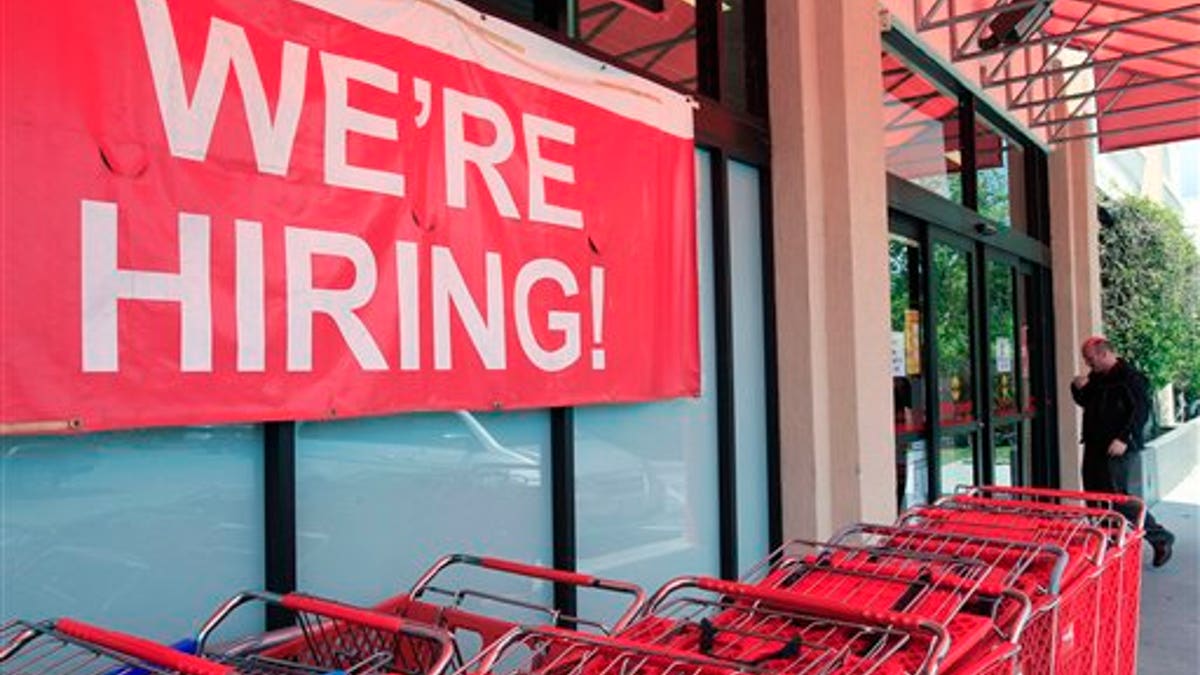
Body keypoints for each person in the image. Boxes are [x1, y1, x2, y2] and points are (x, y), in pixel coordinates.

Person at [1070, 336, 1175, 567]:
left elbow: (1141, 411)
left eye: (1090, 359)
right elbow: (1089, 403)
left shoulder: (1130, 378)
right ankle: (1107, 544)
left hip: (1117, 448)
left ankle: (1159, 537)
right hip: (1094, 444)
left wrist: (1124, 438)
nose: (1088, 364)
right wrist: (1079, 388)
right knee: (1094, 497)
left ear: (1104, 353)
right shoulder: (1097, 377)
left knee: (1119, 499)